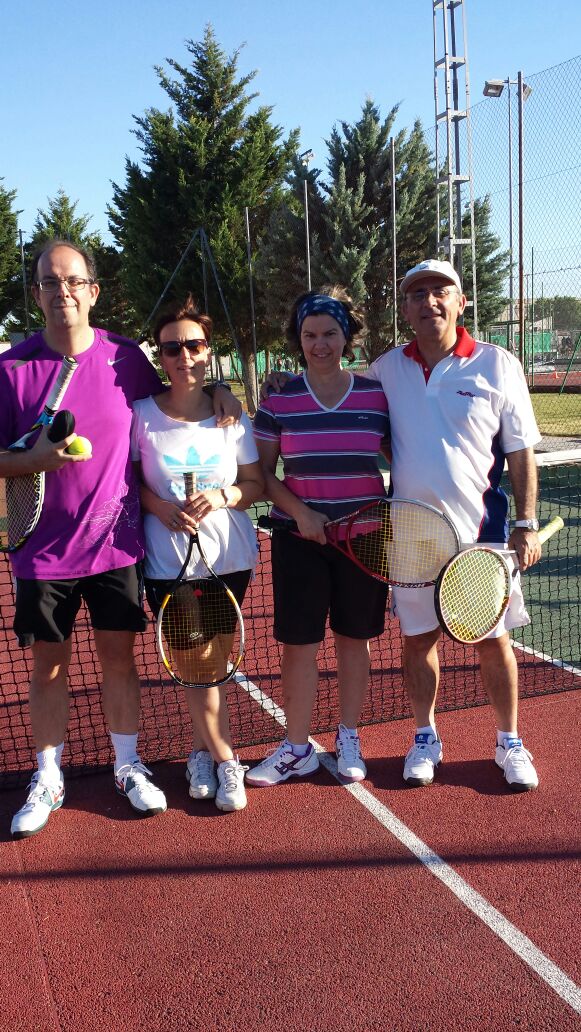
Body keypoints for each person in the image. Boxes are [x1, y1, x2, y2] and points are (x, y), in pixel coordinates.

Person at [263, 260, 543, 793]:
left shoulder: (498, 364)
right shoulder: (385, 370)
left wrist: (526, 522)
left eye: (440, 291)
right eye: (417, 294)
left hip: (481, 535)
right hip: (410, 535)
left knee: (493, 641)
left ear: (460, 302)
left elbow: (521, 450)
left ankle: (509, 741)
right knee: (418, 641)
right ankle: (424, 737)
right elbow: (340, 391)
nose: (429, 301)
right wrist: (280, 380)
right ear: (406, 309)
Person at [1, 240, 239, 838]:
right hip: (42, 552)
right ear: (37, 295)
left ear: (93, 291)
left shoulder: (125, 358)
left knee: (118, 661)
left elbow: (178, 393)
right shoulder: (11, 370)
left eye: (72, 281)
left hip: (116, 546)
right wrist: (32, 462)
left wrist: (221, 391)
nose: (62, 291)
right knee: (48, 667)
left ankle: (128, 766)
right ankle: (48, 777)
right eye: (50, 282)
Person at [248, 287, 390, 789]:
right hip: (299, 541)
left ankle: (348, 736)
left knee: (354, 641)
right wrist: (301, 513)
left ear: (347, 337)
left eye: (330, 333)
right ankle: (296, 748)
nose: (320, 344)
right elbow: (262, 475)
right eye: (310, 335)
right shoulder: (279, 400)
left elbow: (402, 456)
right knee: (299, 646)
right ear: (299, 339)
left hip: (364, 540)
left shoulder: (377, 397)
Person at [131, 297, 263, 812]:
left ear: (208, 351)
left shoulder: (231, 416)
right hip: (169, 564)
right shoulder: (141, 415)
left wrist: (224, 495)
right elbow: (129, 484)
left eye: (194, 345)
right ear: (160, 356)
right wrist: (161, 508)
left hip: (230, 558)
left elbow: (255, 485)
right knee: (198, 666)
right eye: (172, 348)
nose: (184, 356)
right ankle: (228, 759)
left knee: (213, 662)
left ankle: (199, 753)